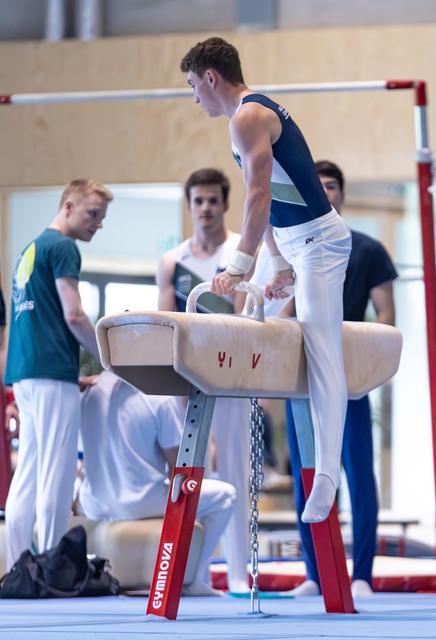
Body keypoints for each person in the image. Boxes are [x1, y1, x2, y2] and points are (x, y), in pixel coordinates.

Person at [180, 37, 352, 524]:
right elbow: (274, 201)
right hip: (293, 242)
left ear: (211, 77)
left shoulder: (248, 117)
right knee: (258, 329)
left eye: (194, 86)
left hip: (320, 242)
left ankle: (327, 475)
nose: (195, 97)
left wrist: (238, 265)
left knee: (322, 351)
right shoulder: (242, 121)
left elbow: (256, 197)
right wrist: (273, 263)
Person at [286, 160, 398, 597]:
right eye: (318, 186)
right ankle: (315, 574)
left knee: (357, 475)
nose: (325, 193)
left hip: (348, 376)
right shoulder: (293, 249)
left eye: (331, 186)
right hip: (302, 380)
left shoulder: (367, 249)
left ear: (342, 193)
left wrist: (372, 364)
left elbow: (386, 315)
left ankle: (363, 574)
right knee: (306, 475)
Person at [4, 179, 113, 569]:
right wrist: (108, 356)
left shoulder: (30, 249)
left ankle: (18, 566)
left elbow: (32, 320)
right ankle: (49, 563)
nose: (97, 224)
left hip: (27, 373)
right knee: (58, 468)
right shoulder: (64, 247)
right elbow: (73, 314)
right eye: (92, 214)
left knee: (30, 468)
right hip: (49, 373)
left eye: (102, 217)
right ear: (68, 207)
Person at [157, 167, 251, 592]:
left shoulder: (239, 251)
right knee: (194, 472)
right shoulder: (172, 261)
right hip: (190, 377)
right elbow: (165, 324)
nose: (207, 208)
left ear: (226, 204)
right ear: (190, 205)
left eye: (214, 200)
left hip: (231, 375)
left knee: (233, 470)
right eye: (199, 200)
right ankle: (194, 571)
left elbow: (245, 317)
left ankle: (235, 572)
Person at [77, 371, 236, 596]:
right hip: (139, 502)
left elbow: (83, 460)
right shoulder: (158, 395)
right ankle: (193, 579)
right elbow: (179, 469)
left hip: (94, 504)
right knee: (225, 494)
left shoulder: (89, 392)